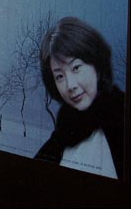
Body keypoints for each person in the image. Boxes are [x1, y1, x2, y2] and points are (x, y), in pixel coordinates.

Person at [34, 16, 124, 179]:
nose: (70, 85)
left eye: (76, 67)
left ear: (96, 63)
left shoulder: (121, 116)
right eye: (60, 76)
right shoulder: (64, 131)